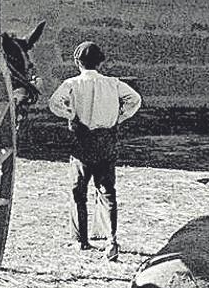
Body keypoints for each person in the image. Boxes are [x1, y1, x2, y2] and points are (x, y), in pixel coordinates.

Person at [48, 41, 142, 262]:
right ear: (101, 62)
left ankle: (81, 241)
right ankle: (111, 240)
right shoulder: (113, 83)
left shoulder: (71, 83)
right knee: (107, 190)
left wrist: (71, 115)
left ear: (77, 62)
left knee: (78, 192)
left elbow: (54, 103)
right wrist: (119, 117)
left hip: (83, 141)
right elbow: (135, 100)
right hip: (107, 140)